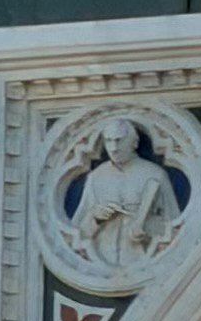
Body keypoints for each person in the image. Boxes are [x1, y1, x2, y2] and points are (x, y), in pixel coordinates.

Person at [63, 115, 182, 274]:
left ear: (134, 143)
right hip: (101, 262)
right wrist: (96, 219)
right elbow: (78, 234)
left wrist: (146, 228)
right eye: (109, 141)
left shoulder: (155, 175)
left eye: (119, 140)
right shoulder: (96, 177)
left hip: (142, 261)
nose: (114, 147)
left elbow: (176, 229)